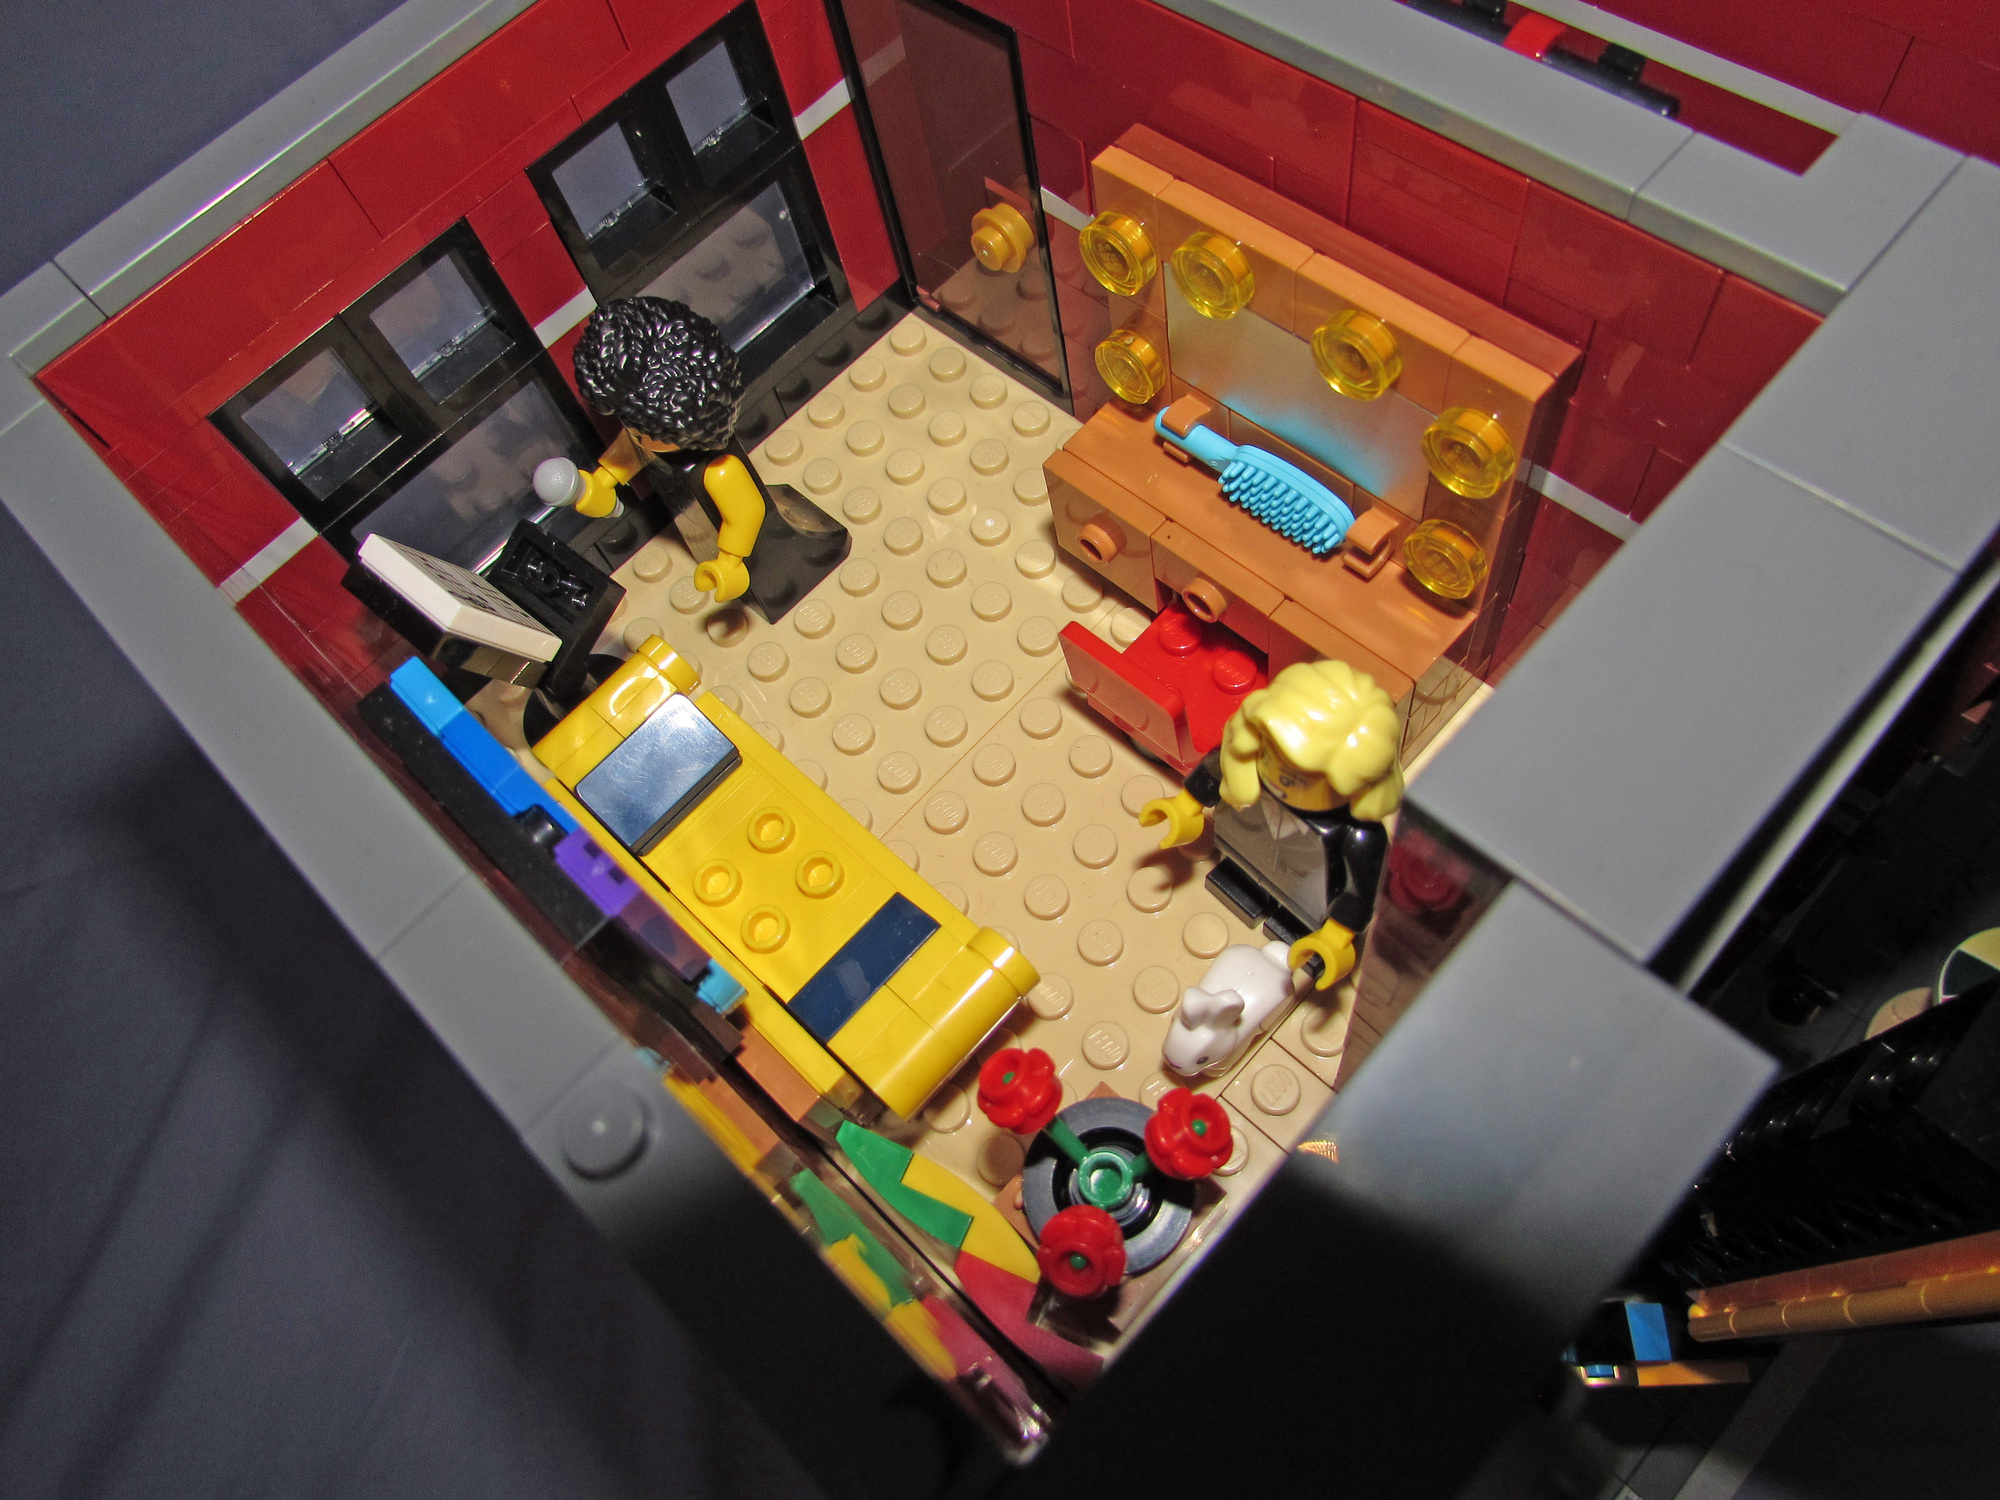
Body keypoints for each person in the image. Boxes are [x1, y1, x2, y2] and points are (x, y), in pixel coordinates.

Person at [1139, 658, 1404, 989]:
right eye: (1270, 755)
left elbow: (1359, 891)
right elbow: (1214, 770)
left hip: (1308, 905)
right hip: (1239, 857)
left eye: (1297, 779)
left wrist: (1336, 936)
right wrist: (1183, 807)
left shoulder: (1358, 836)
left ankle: (1303, 934)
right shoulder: (1245, 765)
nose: (1277, 778)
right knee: (1236, 886)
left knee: (1297, 928)